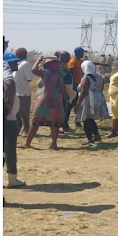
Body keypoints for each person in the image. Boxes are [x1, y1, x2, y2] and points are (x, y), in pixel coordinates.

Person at [23, 56, 69, 149]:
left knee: (36, 121)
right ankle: (54, 144)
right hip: (57, 101)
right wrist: (67, 95)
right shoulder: (59, 74)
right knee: (55, 122)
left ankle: (27, 143)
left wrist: (38, 60)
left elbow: (33, 70)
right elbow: (63, 87)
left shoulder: (46, 73)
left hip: (44, 101)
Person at [74, 60, 110, 145]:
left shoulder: (86, 78)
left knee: (86, 119)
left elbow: (83, 92)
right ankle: (97, 135)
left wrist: (77, 105)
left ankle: (89, 139)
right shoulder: (99, 76)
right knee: (91, 118)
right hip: (98, 98)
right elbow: (101, 88)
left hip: (88, 100)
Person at [4, 52, 26, 188]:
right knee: (9, 149)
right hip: (7, 119)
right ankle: (12, 178)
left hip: (10, 117)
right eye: (13, 62)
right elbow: (10, 86)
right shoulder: (6, 76)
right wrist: (11, 105)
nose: (16, 64)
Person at [65, 47, 88, 130]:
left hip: (79, 85)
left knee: (77, 104)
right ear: (78, 53)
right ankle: (65, 123)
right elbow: (70, 74)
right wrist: (73, 86)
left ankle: (77, 122)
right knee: (70, 104)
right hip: (73, 85)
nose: (83, 54)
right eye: (82, 53)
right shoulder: (72, 62)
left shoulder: (80, 61)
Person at [13, 48, 33, 137]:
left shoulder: (26, 64)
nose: (17, 56)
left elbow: (29, 78)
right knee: (17, 112)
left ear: (23, 55)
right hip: (16, 91)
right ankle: (19, 127)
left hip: (23, 91)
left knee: (24, 112)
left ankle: (26, 129)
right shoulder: (18, 63)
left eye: (19, 54)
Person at [55, 51, 76, 132]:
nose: (68, 58)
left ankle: (64, 125)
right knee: (61, 109)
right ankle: (60, 126)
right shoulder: (60, 67)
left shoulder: (63, 66)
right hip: (63, 91)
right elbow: (61, 81)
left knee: (64, 108)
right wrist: (65, 92)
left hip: (66, 90)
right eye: (66, 57)